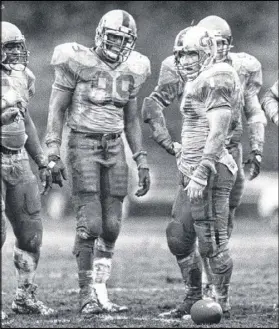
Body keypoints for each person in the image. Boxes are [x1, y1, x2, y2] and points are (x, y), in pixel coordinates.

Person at [142, 15, 267, 298]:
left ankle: (215, 296)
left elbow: (250, 112)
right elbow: (152, 105)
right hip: (192, 158)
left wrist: (256, 148)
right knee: (179, 235)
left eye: (219, 43)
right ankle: (194, 295)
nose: (216, 49)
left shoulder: (230, 72)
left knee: (214, 236)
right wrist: (170, 144)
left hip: (220, 157)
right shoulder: (184, 68)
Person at [45, 10, 151, 315]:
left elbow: (131, 120)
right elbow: (56, 110)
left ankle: (101, 292)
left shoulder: (134, 67)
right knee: (90, 222)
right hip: (82, 143)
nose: (117, 43)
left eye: (123, 38)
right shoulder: (75, 61)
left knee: (112, 226)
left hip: (115, 146)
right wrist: (53, 152)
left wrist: (140, 159)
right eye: (113, 36)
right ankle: (85, 295)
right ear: (100, 34)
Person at [1, 21, 54, 320]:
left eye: (19, 45)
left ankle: (24, 296)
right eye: (10, 46)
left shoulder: (23, 77)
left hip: (18, 158)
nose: (17, 52)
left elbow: (27, 122)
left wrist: (42, 160)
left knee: (31, 232)